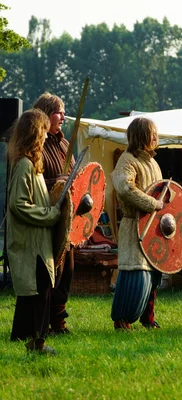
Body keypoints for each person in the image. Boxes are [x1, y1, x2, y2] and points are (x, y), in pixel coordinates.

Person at [7, 109, 61, 353]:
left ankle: (25, 338)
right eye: (43, 131)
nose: (47, 137)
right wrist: (49, 215)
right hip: (30, 242)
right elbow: (18, 204)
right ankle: (33, 341)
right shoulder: (24, 166)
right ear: (34, 134)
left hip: (39, 240)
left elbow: (36, 200)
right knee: (35, 290)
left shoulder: (33, 166)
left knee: (40, 289)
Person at [110, 117, 164, 330]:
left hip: (152, 226)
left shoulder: (152, 162)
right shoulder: (127, 160)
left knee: (152, 274)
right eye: (152, 133)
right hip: (134, 225)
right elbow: (125, 188)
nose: (155, 137)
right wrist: (152, 204)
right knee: (134, 273)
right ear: (141, 135)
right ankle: (122, 320)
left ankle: (147, 318)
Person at [32, 92, 75, 335]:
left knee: (67, 271)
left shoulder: (65, 144)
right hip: (46, 217)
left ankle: (58, 321)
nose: (63, 116)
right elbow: (34, 181)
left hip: (65, 220)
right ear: (46, 113)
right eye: (59, 111)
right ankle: (45, 322)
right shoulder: (35, 144)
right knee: (51, 273)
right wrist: (55, 183)